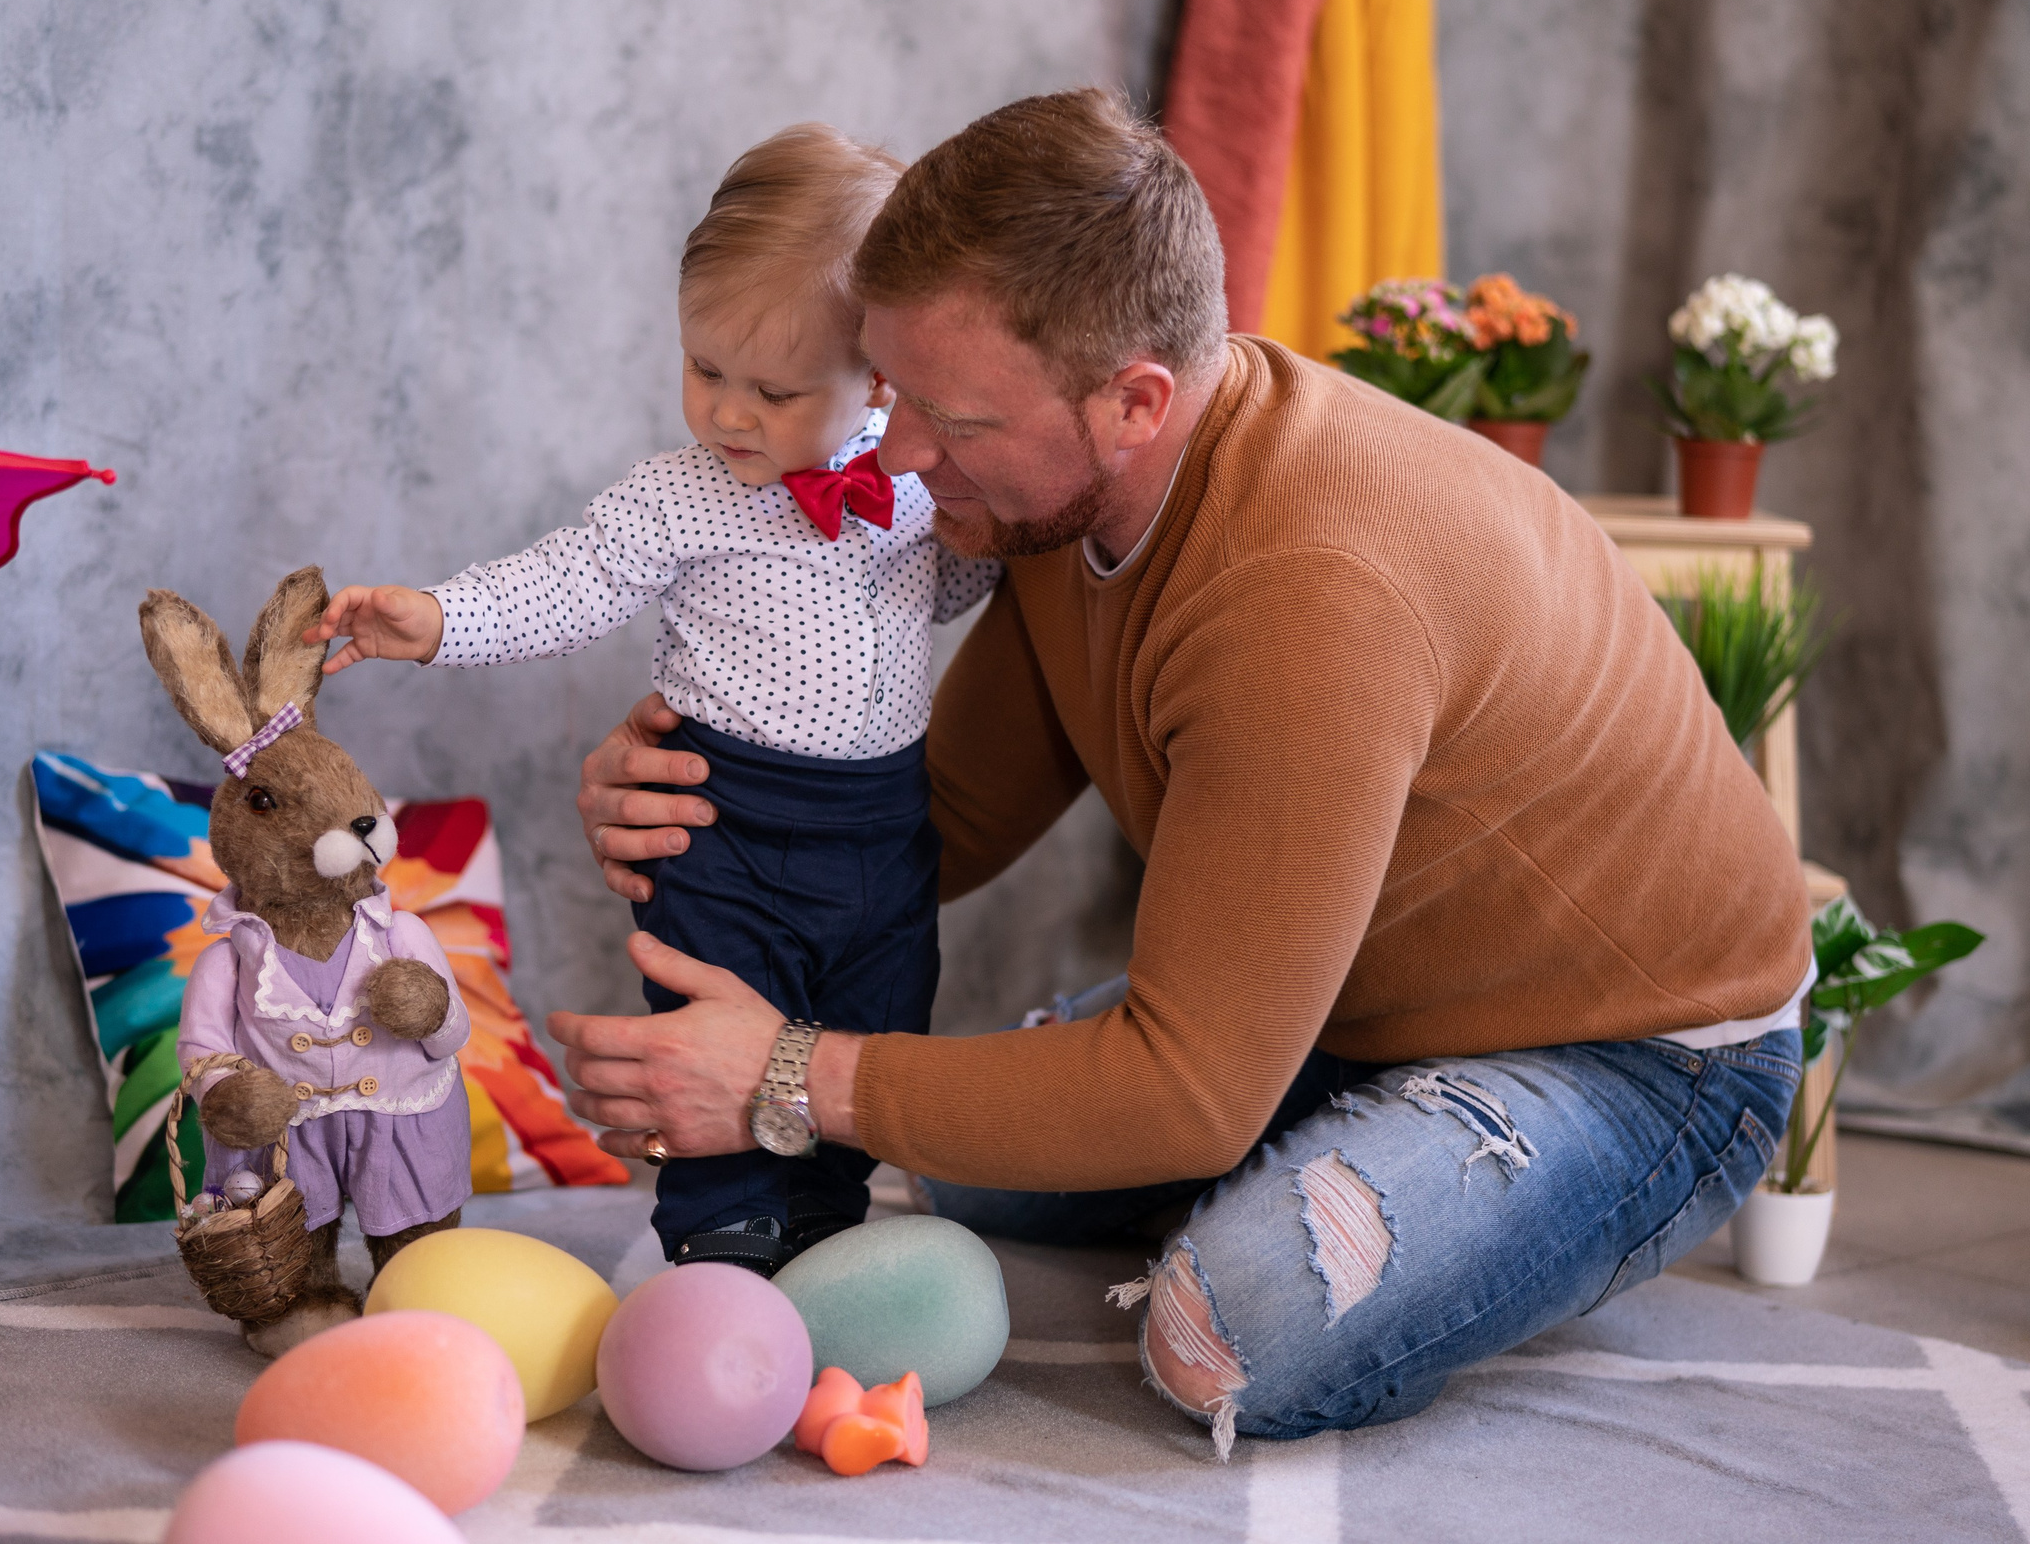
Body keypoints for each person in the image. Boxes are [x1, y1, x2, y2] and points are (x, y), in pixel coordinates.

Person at [547, 89, 1812, 1459]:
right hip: (1365, 992)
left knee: (1224, 1329)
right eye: (891, 390)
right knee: (967, 1159)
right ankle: (1345, 1114)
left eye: (950, 418)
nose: (898, 454)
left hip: (1644, 1053)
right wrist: (711, 797)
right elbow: (941, 817)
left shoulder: (1308, 592)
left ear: (1134, 401)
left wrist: (789, 1071)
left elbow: (1192, 1094)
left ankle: (1481, 1173)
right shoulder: (1060, 499)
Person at [305, 124, 1000, 1276]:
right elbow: (568, 580)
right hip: (724, 828)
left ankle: (826, 1225)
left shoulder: (914, 482)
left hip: (883, 828)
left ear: (880, 376)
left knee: (868, 1021)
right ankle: (723, 1233)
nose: (728, 413)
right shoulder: (681, 497)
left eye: (773, 390)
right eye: (703, 369)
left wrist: (993, 535)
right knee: (714, 1013)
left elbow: (948, 591)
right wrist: (436, 618)